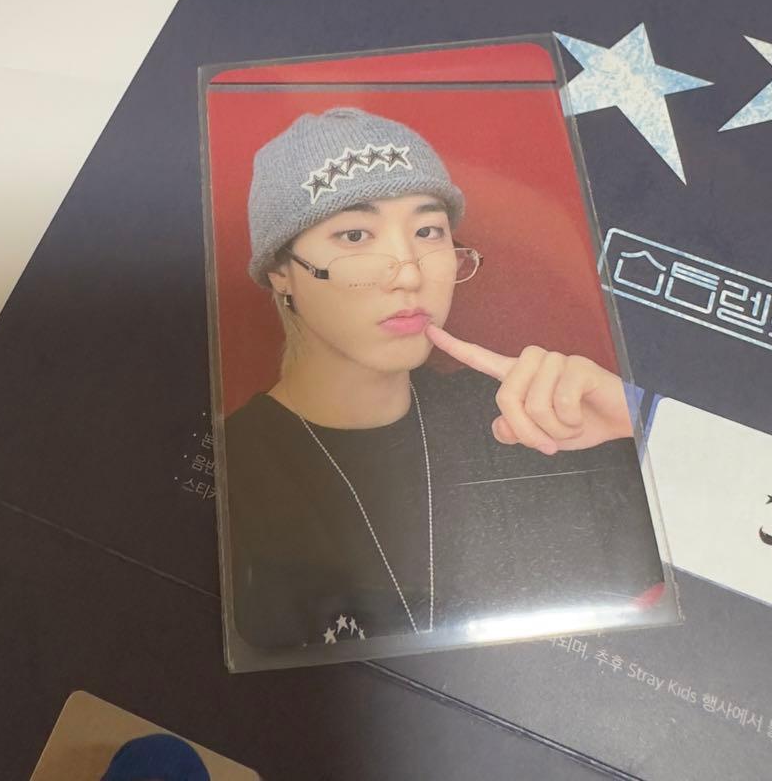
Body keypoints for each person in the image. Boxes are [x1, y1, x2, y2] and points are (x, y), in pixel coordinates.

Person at [222, 106, 664, 651]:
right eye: (355, 235)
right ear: (281, 272)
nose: (409, 274)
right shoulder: (229, 470)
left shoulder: (524, 420)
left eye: (428, 231)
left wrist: (636, 421)